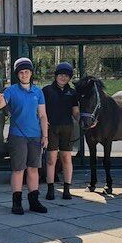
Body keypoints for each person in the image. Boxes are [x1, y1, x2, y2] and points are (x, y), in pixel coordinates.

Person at [0, 57, 49, 215]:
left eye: (27, 72)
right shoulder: (11, 91)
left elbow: (43, 115)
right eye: (21, 72)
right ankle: (16, 203)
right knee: (18, 170)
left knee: (33, 169)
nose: (24, 74)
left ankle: (34, 201)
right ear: (17, 75)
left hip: (35, 136)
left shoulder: (38, 91)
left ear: (31, 73)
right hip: (17, 136)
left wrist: (45, 136)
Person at [42, 62, 80, 200]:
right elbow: (41, 110)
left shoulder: (72, 92)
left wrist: (82, 120)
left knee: (66, 158)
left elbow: (75, 111)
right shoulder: (46, 90)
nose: (63, 77)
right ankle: (51, 188)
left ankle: (67, 189)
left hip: (67, 128)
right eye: (61, 74)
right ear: (56, 75)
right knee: (51, 159)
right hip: (51, 128)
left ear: (69, 78)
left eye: (66, 75)